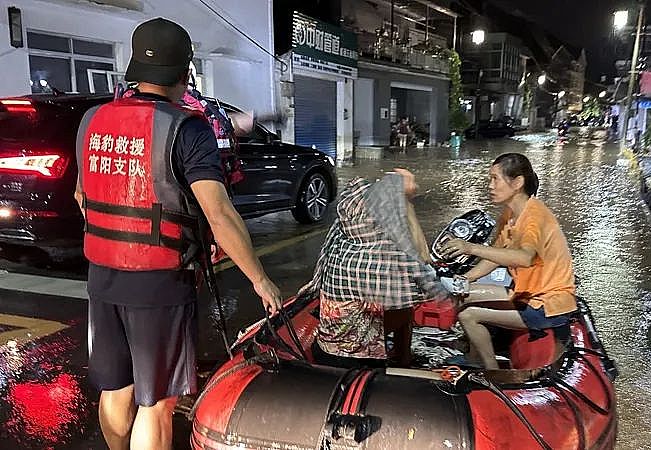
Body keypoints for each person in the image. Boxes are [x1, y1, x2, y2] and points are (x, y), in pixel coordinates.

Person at [73, 18, 281, 450]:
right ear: (185, 72)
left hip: (101, 275)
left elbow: (82, 195)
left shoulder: (92, 120)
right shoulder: (187, 128)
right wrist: (260, 279)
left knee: (116, 389)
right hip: (158, 281)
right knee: (157, 403)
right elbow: (219, 213)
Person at [298, 169, 447, 368]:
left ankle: (402, 358)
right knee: (406, 308)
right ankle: (403, 361)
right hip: (357, 362)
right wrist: (407, 204)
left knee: (400, 307)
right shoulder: (378, 257)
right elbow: (424, 258)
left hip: (324, 350)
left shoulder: (342, 237)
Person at [440, 153, 577, 369]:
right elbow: (495, 255)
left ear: (518, 183)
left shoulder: (534, 217)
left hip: (546, 303)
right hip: (525, 292)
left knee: (468, 315)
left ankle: (490, 370)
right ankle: (473, 351)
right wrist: (464, 278)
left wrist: (470, 247)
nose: (490, 186)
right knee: (462, 294)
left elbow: (524, 258)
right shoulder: (511, 215)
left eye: (495, 179)